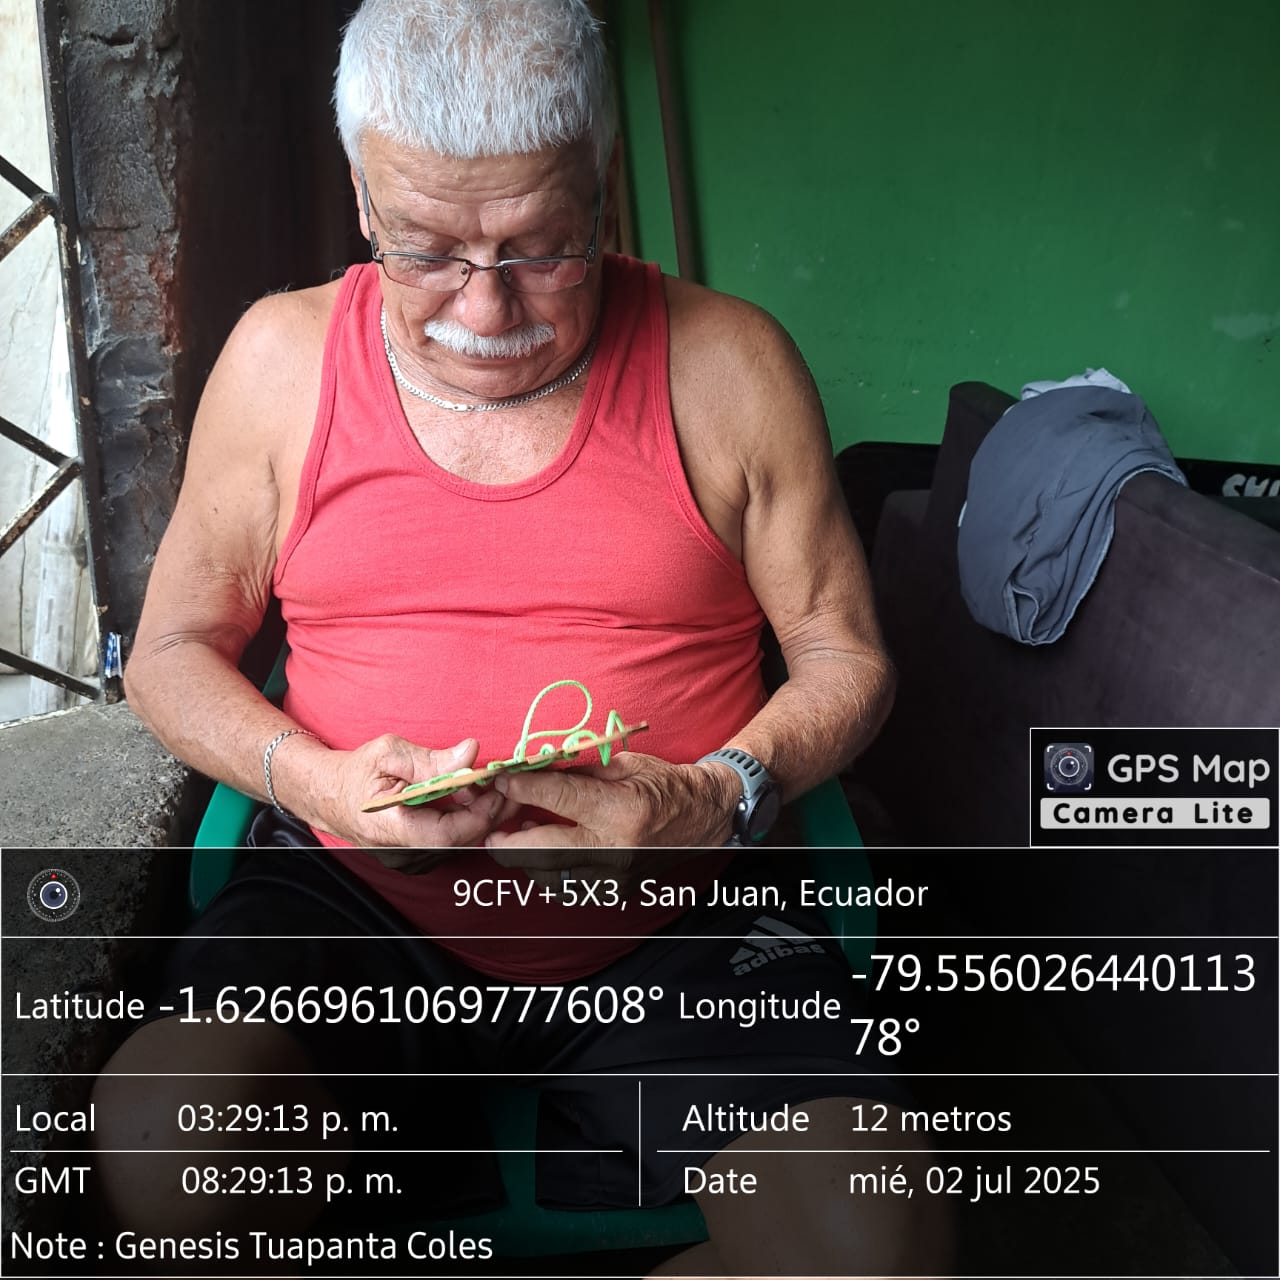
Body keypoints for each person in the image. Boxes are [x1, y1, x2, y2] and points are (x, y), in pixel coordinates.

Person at [101, 1, 947, 1274]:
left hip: (681, 924)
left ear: (603, 183)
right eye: (427, 251)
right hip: (353, 904)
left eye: (543, 248)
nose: (484, 310)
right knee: (173, 1148)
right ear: (363, 197)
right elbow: (169, 650)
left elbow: (845, 655)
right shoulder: (280, 362)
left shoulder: (729, 365)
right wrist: (316, 782)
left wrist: (718, 793)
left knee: (868, 1242)